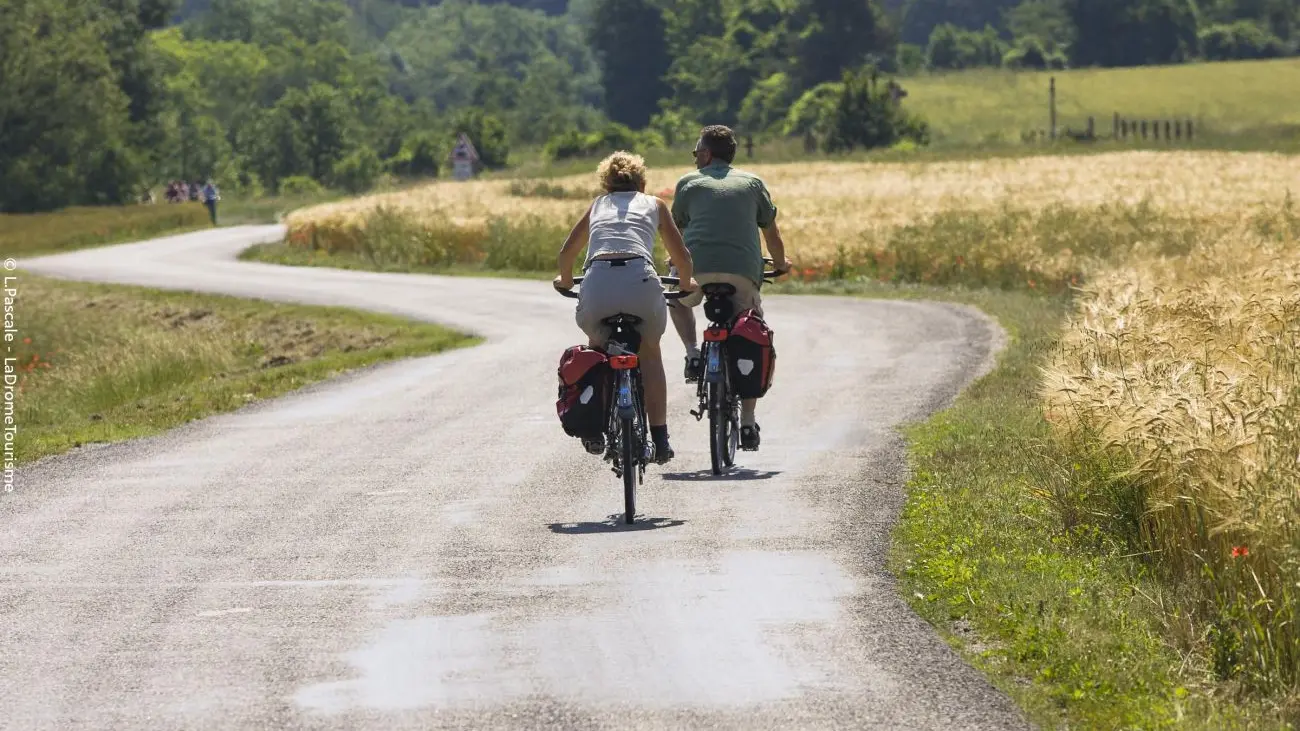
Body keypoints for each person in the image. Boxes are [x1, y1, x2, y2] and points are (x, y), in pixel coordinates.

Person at [555, 151, 698, 463]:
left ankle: (594, 428)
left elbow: (567, 253)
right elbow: (683, 258)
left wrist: (565, 281)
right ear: (642, 183)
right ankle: (660, 439)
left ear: (606, 184)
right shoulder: (655, 205)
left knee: (596, 349)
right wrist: (687, 284)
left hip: (598, 284)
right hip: (641, 282)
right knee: (650, 353)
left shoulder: (597, 206)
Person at [668, 125, 791, 452]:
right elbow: (772, 236)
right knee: (751, 332)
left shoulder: (687, 184)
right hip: (741, 274)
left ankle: (693, 353)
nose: (695, 159)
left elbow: (677, 234)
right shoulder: (752, 184)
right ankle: (748, 422)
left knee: (677, 300)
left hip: (696, 271)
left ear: (707, 154)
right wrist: (780, 264)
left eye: (696, 153)